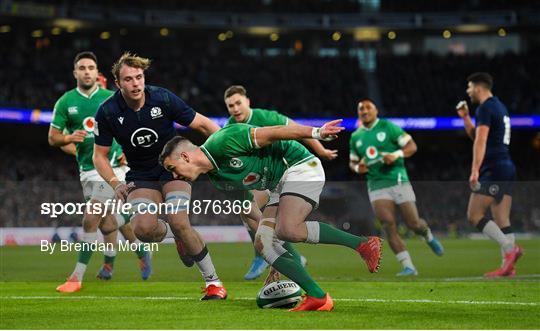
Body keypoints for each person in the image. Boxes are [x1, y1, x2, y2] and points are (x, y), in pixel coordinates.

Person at [159, 120, 382, 312]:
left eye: (173, 167)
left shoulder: (223, 141)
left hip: (299, 165)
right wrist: (277, 257)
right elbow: (252, 213)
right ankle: (318, 297)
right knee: (264, 242)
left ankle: (363, 244)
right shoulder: (219, 179)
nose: (174, 175)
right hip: (279, 184)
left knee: (288, 229)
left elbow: (275, 131)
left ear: (185, 156)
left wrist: (316, 133)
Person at [93, 52, 227, 299]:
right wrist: (114, 183)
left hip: (173, 168)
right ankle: (177, 236)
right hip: (141, 175)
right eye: (128, 79)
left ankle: (214, 283)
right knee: (143, 229)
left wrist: (227, 150)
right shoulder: (108, 112)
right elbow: (99, 156)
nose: (135, 83)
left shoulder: (163, 98)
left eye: (139, 77)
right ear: (117, 83)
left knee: (180, 221)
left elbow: (204, 125)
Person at [49, 51, 152, 293]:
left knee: (91, 216)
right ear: (75, 72)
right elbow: (53, 138)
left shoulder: (112, 98)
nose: (86, 71)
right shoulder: (65, 102)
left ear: (97, 72)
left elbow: (136, 124)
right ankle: (139, 250)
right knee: (107, 225)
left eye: (91, 67)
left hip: (113, 168)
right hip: (87, 171)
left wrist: (131, 149)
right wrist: (68, 138)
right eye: (82, 68)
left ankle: (77, 277)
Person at [224, 85, 338, 280]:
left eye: (238, 103)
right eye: (230, 105)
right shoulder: (229, 127)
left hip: (289, 173)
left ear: (247, 102)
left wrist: (321, 150)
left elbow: (297, 130)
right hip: (266, 180)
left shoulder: (267, 117)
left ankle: (277, 254)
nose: (235, 108)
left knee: (280, 224)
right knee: (245, 209)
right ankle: (269, 255)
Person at [349, 100, 444, 276]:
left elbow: (411, 146)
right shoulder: (356, 136)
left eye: (368, 107)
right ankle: (409, 266)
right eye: (361, 108)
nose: (364, 111)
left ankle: (427, 235)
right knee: (387, 224)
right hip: (376, 184)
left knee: (413, 224)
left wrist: (396, 154)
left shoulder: (389, 127)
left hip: (397, 179)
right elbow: (353, 162)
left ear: (376, 110)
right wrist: (357, 168)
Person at [456, 72, 523, 277]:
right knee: (502, 218)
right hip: (506, 166)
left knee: (474, 214)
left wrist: (475, 169)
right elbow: (477, 134)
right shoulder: (499, 106)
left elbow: (481, 140)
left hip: (493, 167)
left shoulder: (485, 107)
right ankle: (507, 266)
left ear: (478, 87)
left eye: (469, 87)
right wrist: (466, 118)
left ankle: (511, 251)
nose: (468, 92)